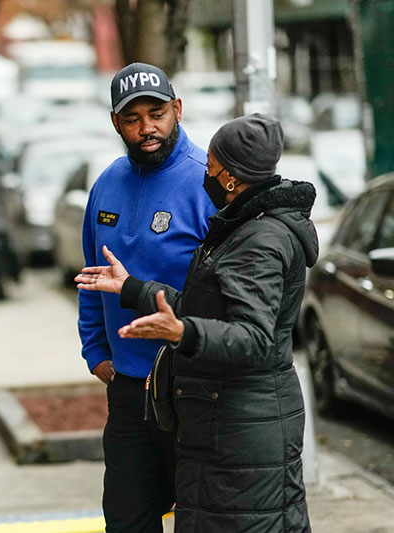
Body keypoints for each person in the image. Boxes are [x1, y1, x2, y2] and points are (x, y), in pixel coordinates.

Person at [76, 114, 315, 531]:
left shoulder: (260, 240)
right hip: (218, 415)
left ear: (229, 178)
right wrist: (132, 289)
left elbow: (254, 338)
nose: (204, 171)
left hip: (242, 421)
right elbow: (204, 306)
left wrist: (182, 333)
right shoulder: (241, 227)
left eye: (211, 166)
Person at [78, 62, 216, 532]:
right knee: (126, 519)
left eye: (156, 114)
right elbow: (90, 278)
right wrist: (94, 349)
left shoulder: (209, 184)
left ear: (177, 109)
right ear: (116, 123)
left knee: (199, 520)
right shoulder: (106, 184)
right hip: (129, 391)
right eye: (132, 119)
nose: (146, 129)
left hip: (193, 388)